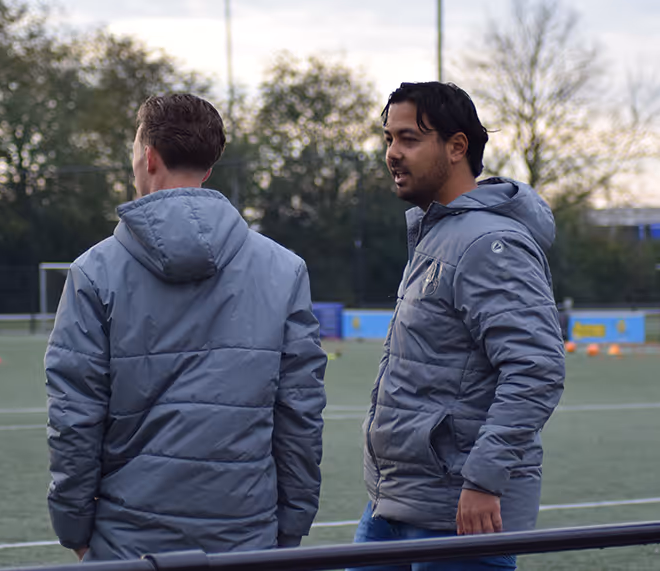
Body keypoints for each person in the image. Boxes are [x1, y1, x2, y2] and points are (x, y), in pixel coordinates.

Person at [45, 93, 327, 561]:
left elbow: (74, 418)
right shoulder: (285, 268)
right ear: (208, 168)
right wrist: (292, 522)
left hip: (127, 542)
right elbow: (300, 413)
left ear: (149, 156)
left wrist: (73, 526)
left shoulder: (93, 272)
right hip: (248, 539)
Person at [351, 82, 565, 571]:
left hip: (460, 512)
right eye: (389, 138)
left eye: (409, 138)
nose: (392, 153)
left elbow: (536, 368)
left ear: (456, 146)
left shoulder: (489, 243)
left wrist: (484, 480)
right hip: (398, 500)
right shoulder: (438, 232)